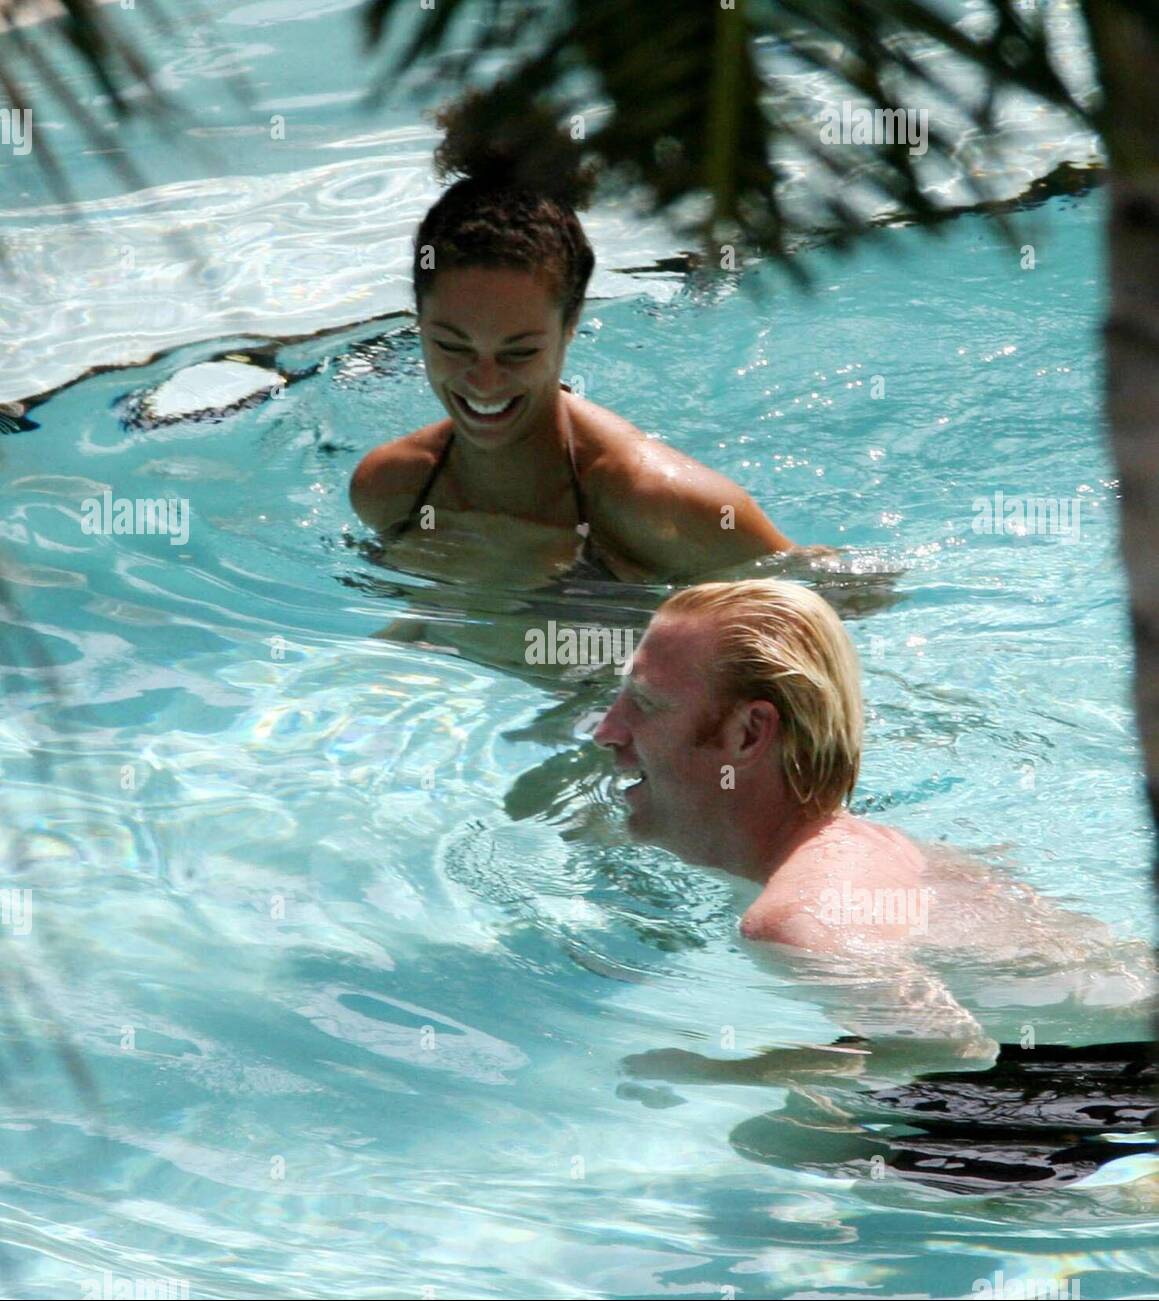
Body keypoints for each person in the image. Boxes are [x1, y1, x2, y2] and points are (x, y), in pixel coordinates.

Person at [593, 579, 1155, 1082]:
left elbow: (951, 1047)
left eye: (645, 702)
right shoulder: (868, 846)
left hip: (1120, 1063)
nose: (607, 730)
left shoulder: (794, 919)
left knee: (783, 1145)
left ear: (747, 734)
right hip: (1103, 1041)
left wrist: (717, 1073)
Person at [350, 93, 808, 590]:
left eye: (519, 351)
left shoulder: (661, 505)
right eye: (452, 346)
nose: (483, 381)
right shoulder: (391, 490)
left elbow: (835, 602)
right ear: (418, 321)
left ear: (571, 325)